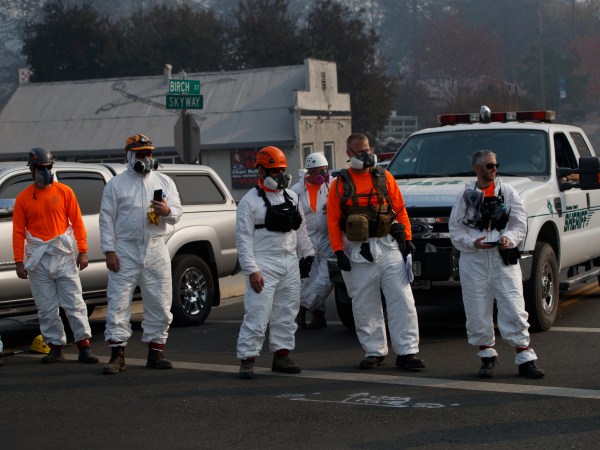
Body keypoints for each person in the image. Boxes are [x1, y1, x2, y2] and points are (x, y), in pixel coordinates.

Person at [327, 133, 424, 371]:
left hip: (388, 245)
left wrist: (408, 238)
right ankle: (374, 351)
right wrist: (339, 251)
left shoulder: (383, 176)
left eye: (367, 149)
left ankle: (407, 352)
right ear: (348, 154)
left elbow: (399, 208)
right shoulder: (340, 184)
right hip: (358, 251)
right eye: (359, 152)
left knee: (402, 299)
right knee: (364, 303)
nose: (365, 155)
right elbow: (332, 220)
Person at [448, 149, 545, 379]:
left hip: (503, 258)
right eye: (489, 165)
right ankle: (487, 356)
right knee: (476, 308)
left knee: (513, 306)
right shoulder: (465, 196)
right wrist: (473, 242)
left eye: (495, 165)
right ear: (477, 168)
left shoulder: (507, 191)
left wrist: (508, 238)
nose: (494, 169)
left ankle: (524, 357)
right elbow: (455, 229)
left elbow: (519, 222)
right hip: (475, 259)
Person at [100, 133, 182, 375]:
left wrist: (166, 209)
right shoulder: (116, 185)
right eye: (140, 154)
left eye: (149, 153)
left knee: (160, 299)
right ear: (129, 156)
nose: (146, 158)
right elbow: (106, 219)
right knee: (118, 302)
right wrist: (109, 251)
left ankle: (156, 352)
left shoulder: (164, 182)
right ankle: (117, 355)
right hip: (125, 249)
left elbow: (177, 212)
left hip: (155, 246)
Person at [12, 147, 99, 364]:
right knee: (46, 307)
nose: (45, 171)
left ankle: (84, 346)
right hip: (38, 259)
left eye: (48, 167)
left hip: (63, 256)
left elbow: (77, 222)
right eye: (40, 168)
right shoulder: (23, 199)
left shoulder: (64, 192)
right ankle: (55, 346)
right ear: (31, 170)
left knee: (74, 303)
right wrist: (19, 262)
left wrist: (83, 251)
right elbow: (18, 232)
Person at [236, 146, 314, 379]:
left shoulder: (291, 197)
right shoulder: (249, 202)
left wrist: (307, 254)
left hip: (289, 262)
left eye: (281, 170)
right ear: (260, 171)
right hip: (264, 265)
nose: (279, 175)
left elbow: (301, 230)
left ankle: (282, 356)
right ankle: (247, 359)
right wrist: (252, 270)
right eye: (273, 171)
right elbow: (243, 239)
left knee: (286, 312)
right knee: (257, 314)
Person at [290, 153, 334, 329]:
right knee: (308, 279)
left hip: (327, 238)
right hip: (305, 240)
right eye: (318, 171)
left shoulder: (332, 186)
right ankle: (318, 316)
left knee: (326, 277)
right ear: (309, 171)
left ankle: (301, 309)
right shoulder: (297, 191)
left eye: (324, 170)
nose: (322, 175)